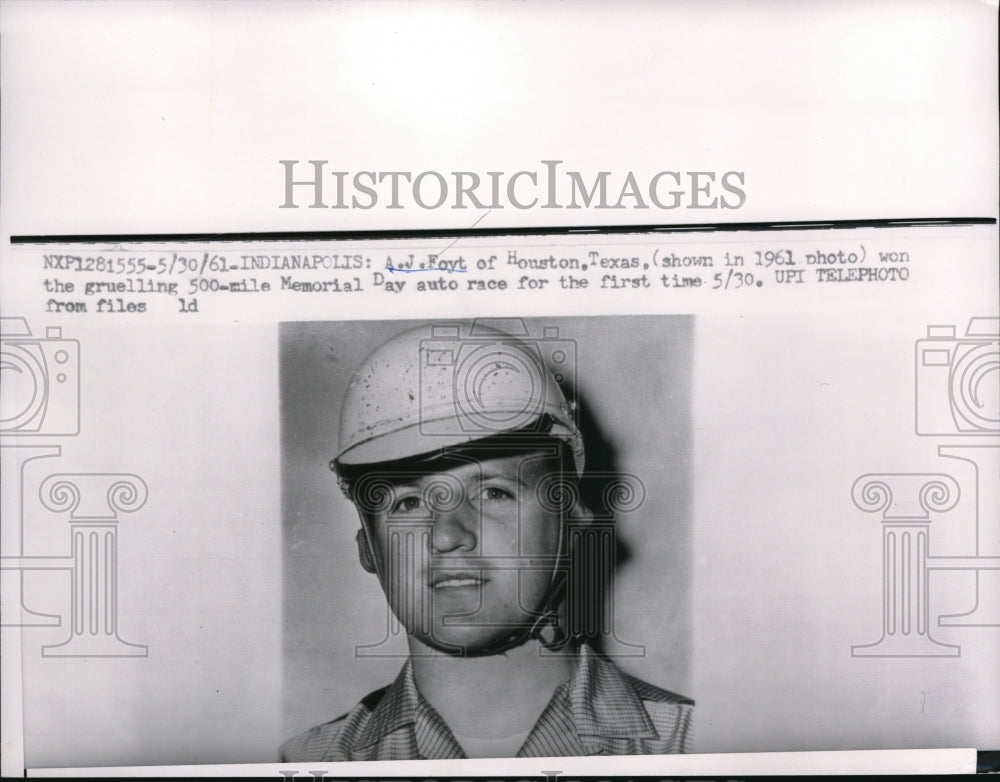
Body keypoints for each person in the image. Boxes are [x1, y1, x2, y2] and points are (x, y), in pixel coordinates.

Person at [280, 320, 693, 760]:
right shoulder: (305, 763)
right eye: (408, 502)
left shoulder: (691, 746)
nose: (446, 535)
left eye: (494, 493)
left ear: (573, 521)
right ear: (369, 548)